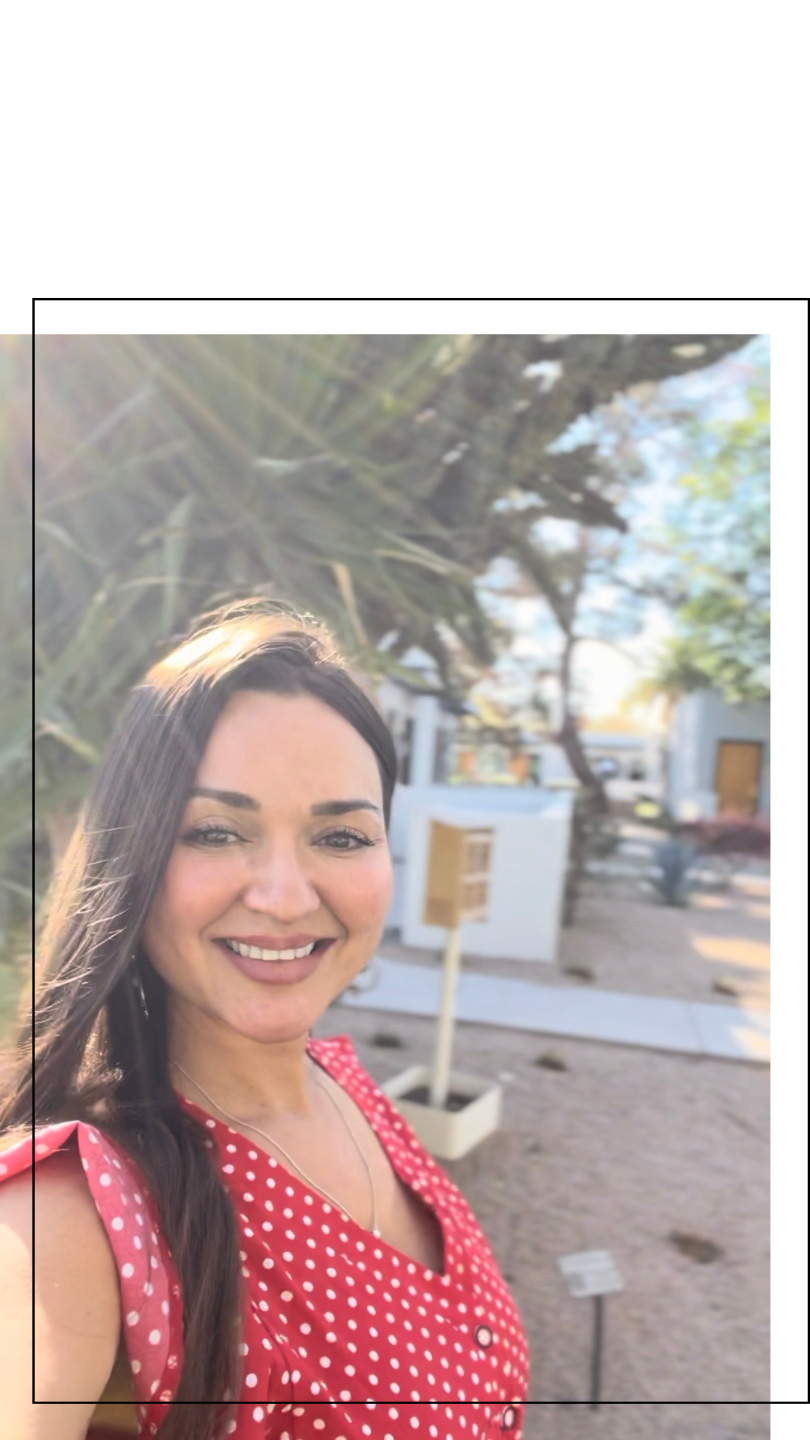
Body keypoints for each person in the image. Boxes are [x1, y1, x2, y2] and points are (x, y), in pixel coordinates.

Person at [0, 601, 530, 1440]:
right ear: (130, 858)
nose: (285, 896)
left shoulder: (349, 1084)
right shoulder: (76, 1214)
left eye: (344, 837)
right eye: (215, 831)